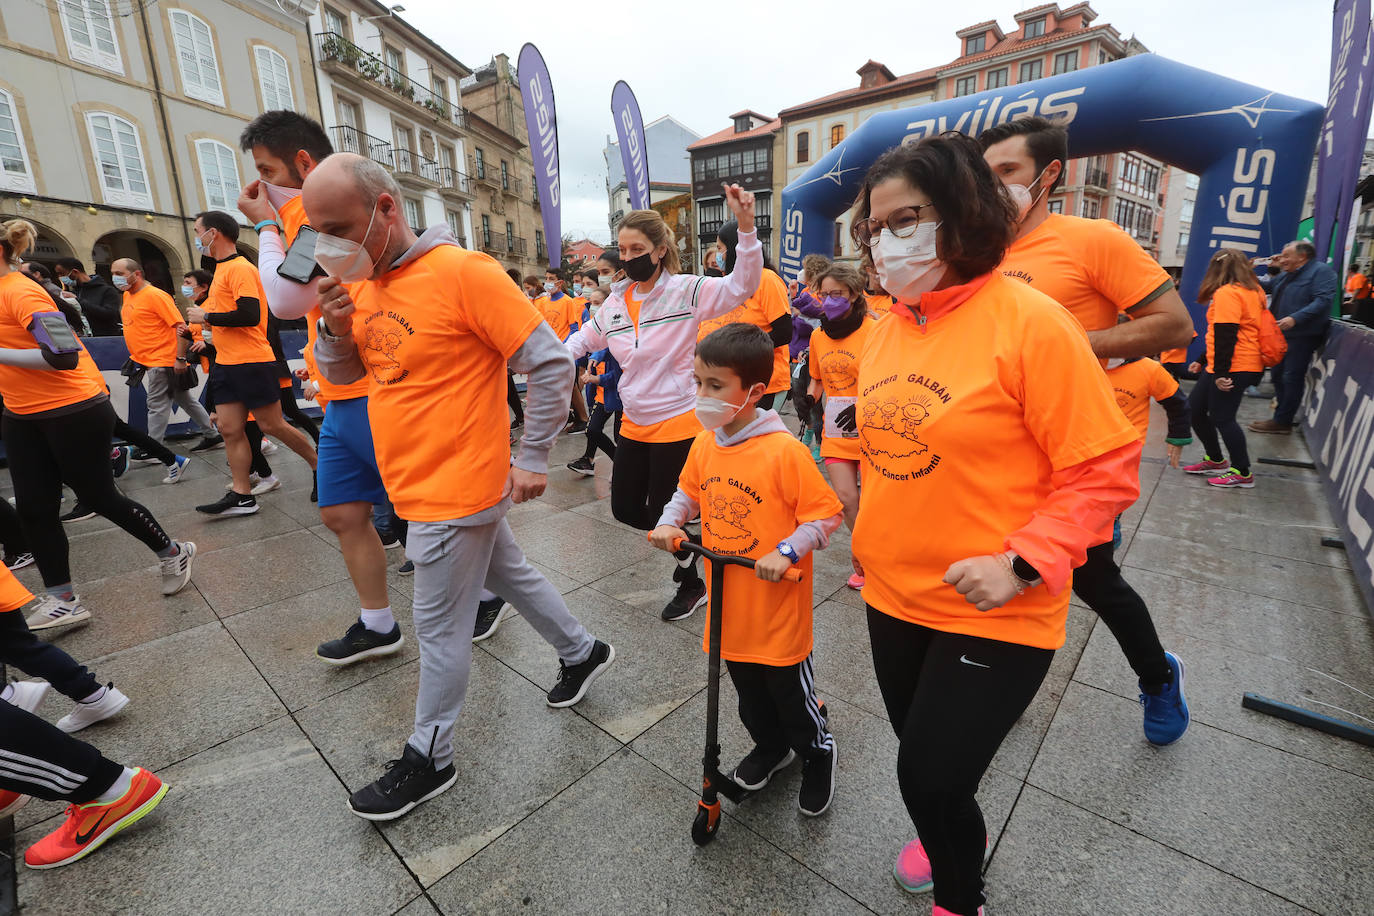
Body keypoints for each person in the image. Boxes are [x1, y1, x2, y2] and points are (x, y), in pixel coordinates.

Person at [850, 134, 1141, 916]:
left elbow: (1103, 471)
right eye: (875, 227)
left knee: (929, 776)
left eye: (905, 218)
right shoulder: (886, 325)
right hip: (892, 594)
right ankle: (955, 857)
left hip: (998, 603)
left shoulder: (1032, 321)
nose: (886, 241)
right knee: (932, 772)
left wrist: (1019, 562)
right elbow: (884, 448)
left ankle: (959, 899)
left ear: (962, 213)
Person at [306, 153, 615, 820]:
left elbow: (551, 361)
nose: (324, 244)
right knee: (510, 574)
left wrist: (533, 456)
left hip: (456, 485)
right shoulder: (359, 285)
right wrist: (334, 330)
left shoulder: (463, 272)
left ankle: (431, 755)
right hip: (411, 479)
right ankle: (582, 650)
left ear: (387, 209)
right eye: (314, 230)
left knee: (439, 628)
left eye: (337, 226)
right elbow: (351, 370)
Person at [982, 115, 1191, 745]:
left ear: (1050, 174)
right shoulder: (976, 251)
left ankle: (1158, 677)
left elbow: (1174, 325)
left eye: (1007, 172)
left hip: (1076, 454)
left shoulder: (1091, 239)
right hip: (1000, 455)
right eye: (984, 175)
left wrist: (1077, 344)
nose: (993, 187)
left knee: (1093, 580)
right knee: (1006, 577)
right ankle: (1003, 688)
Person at [234, 109, 413, 664]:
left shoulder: (310, 220)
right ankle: (378, 622)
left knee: (422, 513)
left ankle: (484, 595)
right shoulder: (303, 217)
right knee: (342, 513)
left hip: (373, 391)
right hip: (340, 393)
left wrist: (264, 223)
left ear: (302, 163)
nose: (258, 181)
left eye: (266, 169)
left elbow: (286, 301)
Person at [651, 323, 843, 815]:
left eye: (715, 386)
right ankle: (770, 745)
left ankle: (817, 752)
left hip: (776, 607)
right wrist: (670, 522)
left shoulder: (784, 452)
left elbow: (825, 513)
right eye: (698, 382)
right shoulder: (705, 443)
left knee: (790, 695)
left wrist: (787, 551)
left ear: (755, 392)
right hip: (729, 605)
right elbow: (688, 493)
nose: (702, 394)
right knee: (749, 696)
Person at [564, 187, 763, 622]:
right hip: (633, 420)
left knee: (660, 510)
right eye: (623, 248)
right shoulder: (614, 302)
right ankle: (694, 549)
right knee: (626, 509)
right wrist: (552, 357)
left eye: (638, 248)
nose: (628, 255)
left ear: (659, 250)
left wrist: (746, 228)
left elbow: (743, 284)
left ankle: (692, 580)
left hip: (679, 418)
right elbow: (583, 339)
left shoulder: (687, 291)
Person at [0, 220, 196, 632]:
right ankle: (63, 599)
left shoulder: (22, 290)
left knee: (99, 497)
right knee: (35, 509)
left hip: (74, 408)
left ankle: (173, 551)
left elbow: (64, 356)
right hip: (21, 414)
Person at [187, 209, 317, 517]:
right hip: (226, 364)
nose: (197, 238)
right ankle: (242, 494)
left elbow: (250, 315)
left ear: (213, 233)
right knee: (231, 430)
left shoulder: (240, 268)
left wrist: (206, 316)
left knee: (273, 424)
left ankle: (320, 468)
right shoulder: (220, 270)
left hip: (251, 361)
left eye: (197, 231)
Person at [805, 261, 878, 589]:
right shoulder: (818, 336)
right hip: (836, 428)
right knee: (847, 499)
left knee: (877, 502)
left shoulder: (875, 330)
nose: (829, 299)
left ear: (853, 294)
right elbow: (817, 378)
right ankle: (865, 556)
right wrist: (810, 396)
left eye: (837, 293)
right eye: (824, 294)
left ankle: (877, 558)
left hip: (874, 427)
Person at [112, 257, 217, 453]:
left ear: (137, 274)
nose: (115, 278)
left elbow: (180, 327)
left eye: (119, 274)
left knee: (156, 405)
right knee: (185, 399)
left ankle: (155, 449)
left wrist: (179, 358)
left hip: (162, 360)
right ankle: (212, 435)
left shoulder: (156, 296)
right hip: (149, 360)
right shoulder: (128, 296)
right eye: (113, 273)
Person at [1182, 249, 1268, 488]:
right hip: (1230, 363)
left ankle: (1242, 471)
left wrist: (1220, 373)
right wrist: (1203, 359)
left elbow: (1226, 334)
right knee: (1195, 410)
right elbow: (1226, 333)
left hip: (1234, 365)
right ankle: (1215, 459)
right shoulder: (1255, 291)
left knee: (1223, 417)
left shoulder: (1228, 293)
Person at [1248, 240, 1337, 435]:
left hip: (1302, 334)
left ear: (1302, 257)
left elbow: (1323, 300)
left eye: (1286, 255)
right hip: (1281, 334)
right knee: (1278, 375)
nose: (1281, 258)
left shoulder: (1321, 272)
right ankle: (1281, 417)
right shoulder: (1286, 275)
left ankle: (1283, 421)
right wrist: (1249, 271)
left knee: (1291, 377)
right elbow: (1265, 287)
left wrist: (1295, 318)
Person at [702, 221, 793, 409]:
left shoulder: (766, 279)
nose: (718, 255)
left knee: (757, 438)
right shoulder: (726, 284)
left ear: (736, 249)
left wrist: (741, 350)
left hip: (765, 383)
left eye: (720, 248)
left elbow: (784, 332)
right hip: (731, 382)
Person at [178, 269, 225, 452]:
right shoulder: (197, 307)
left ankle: (257, 444)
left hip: (222, 362)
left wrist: (208, 346)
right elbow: (203, 335)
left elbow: (224, 335)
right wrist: (189, 335)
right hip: (211, 363)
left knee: (217, 408)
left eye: (188, 283)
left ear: (204, 287)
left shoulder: (211, 306)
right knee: (214, 408)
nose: (184, 287)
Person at [566, 337, 621, 476]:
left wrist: (598, 379)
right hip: (601, 396)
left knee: (619, 437)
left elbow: (621, 374)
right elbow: (591, 355)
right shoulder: (595, 340)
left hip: (622, 397)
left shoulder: (620, 340)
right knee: (592, 430)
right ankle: (618, 461)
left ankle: (622, 465)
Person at [53, 257, 122, 336]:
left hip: (106, 338)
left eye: (62, 273)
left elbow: (109, 314)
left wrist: (77, 301)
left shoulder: (107, 290)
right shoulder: (74, 292)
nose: (60, 278)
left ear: (75, 272)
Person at [21, 262, 88, 334]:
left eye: (23, 274)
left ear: (36, 274)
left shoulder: (50, 291)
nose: (20, 278)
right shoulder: (44, 289)